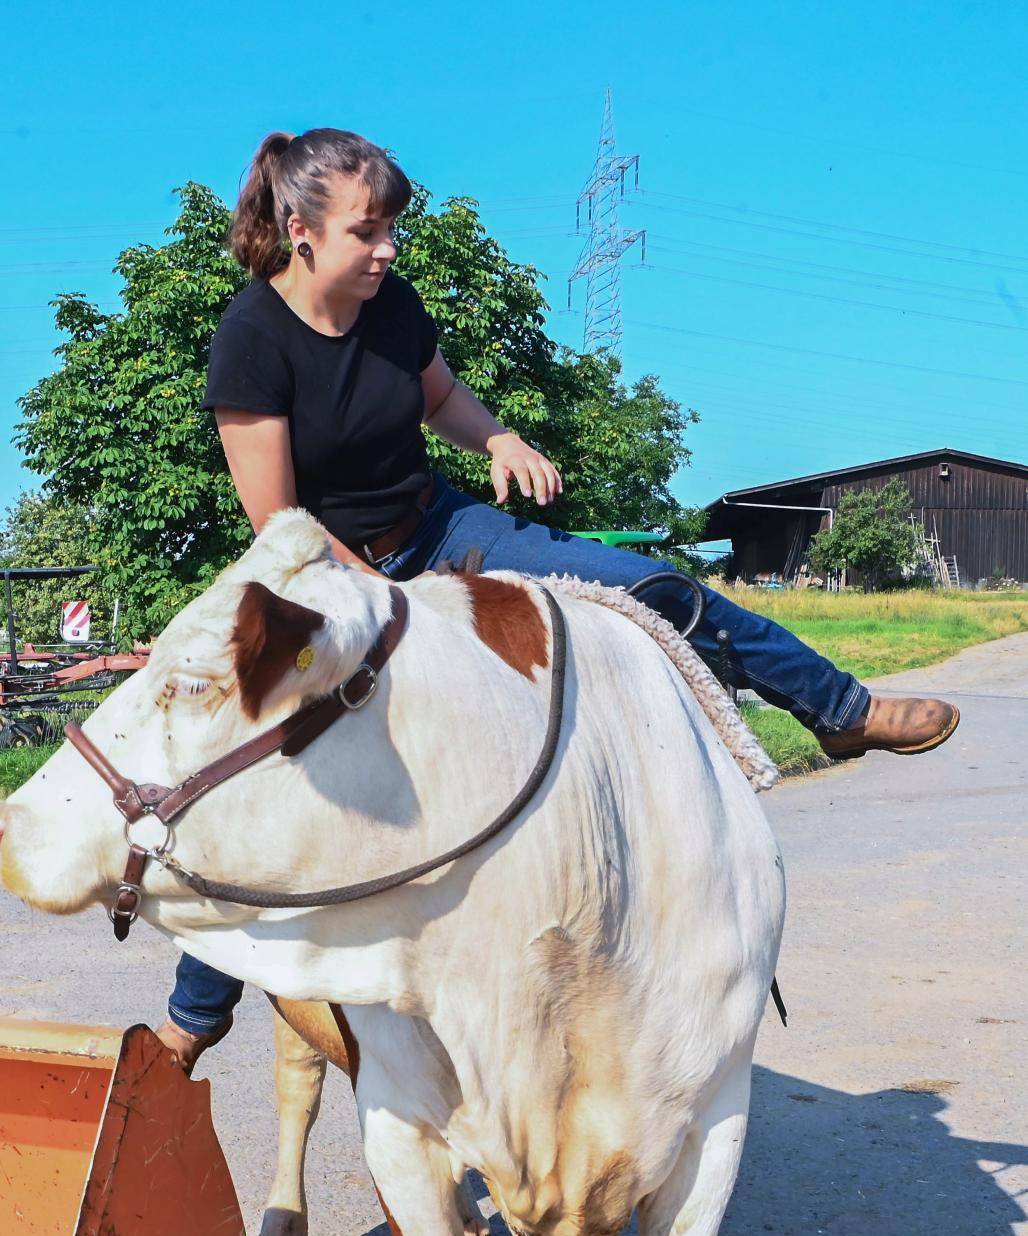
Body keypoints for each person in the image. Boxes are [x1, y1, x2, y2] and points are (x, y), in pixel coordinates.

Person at [156, 127, 958, 1067]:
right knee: (258, 763)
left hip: (440, 527)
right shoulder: (250, 339)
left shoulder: (395, 306)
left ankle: (841, 709)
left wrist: (495, 440)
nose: (388, 250)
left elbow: (440, 399)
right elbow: (278, 519)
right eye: (368, 232)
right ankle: (192, 1016)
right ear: (300, 230)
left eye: (393, 231)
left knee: (658, 591)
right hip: (315, 568)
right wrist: (380, 599)